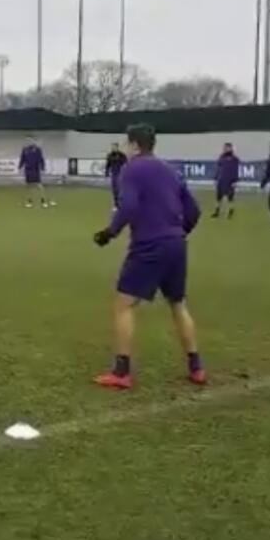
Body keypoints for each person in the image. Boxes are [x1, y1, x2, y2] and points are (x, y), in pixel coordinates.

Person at [92, 124, 205, 389]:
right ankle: (196, 367)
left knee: (124, 304)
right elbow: (194, 211)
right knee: (178, 304)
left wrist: (109, 232)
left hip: (149, 246)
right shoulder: (170, 170)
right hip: (176, 244)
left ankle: (121, 372)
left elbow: (128, 206)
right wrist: (177, 232)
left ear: (134, 145)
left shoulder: (132, 169)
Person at [19, 136, 52, 208]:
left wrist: (43, 168)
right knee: (28, 186)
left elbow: (41, 159)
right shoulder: (24, 150)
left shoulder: (37, 149)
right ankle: (29, 201)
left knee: (39, 186)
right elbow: (22, 159)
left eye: (30, 140)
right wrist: (20, 167)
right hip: (28, 170)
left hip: (36, 169)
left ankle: (43, 201)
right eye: (27, 141)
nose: (28, 142)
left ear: (33, 141)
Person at [213, 143, 240, 219]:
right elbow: (218, 169)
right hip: (221, 180)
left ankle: (231, 212)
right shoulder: (221, 157)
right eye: (224, 148)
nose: (225, 149)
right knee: (218, 197)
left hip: (230, 181)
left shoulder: (234, 159)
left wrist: (235, 181)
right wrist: (215, 178)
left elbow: (236, 170)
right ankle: (217, 212)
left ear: (231, 148)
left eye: (227, 148)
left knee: (230, 198)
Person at [103, 142, 128, 210]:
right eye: (112, 147)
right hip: (113, 174)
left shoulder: (121, 155)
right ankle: (116, 204)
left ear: (117, 147)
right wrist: (106, 172)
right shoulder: (110, 155)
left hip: (120, 174)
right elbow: (108, 165)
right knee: (114, 190)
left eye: (114, 147)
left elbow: (126, 163)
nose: (113, 148)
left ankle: (122, 203)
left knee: (120, 189)